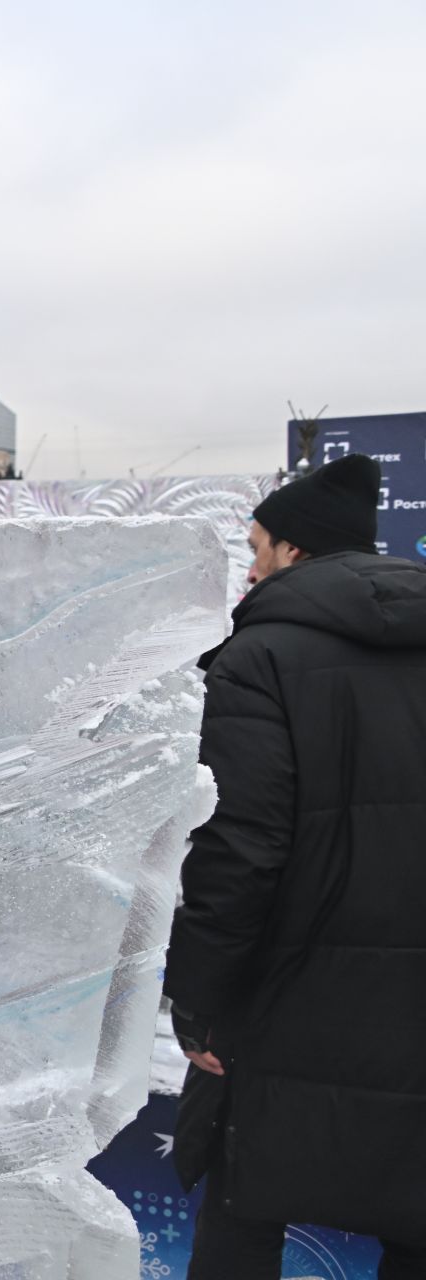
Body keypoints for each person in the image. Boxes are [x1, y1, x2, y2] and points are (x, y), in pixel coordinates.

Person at [164, 453, 426, 1278]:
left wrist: (198, 997)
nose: (251, 564)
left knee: (245, 1205)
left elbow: (240, 845)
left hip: (288, 990)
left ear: (295, 552)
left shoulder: (258, 656)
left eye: (258, 545)